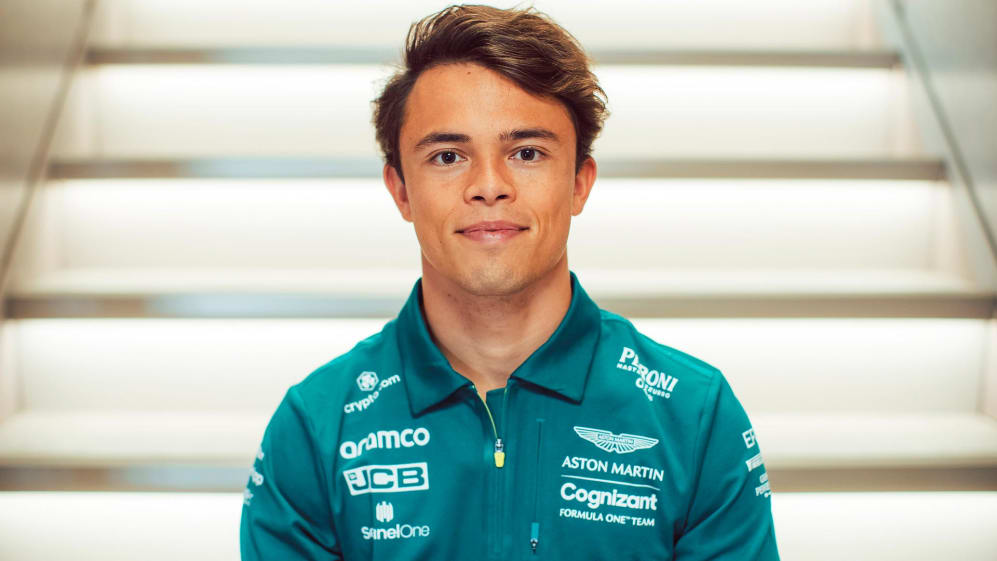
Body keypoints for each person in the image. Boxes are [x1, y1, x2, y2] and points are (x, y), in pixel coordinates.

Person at [240, 4, 780, 560]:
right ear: (401, 190)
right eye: (448, 156)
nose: (489, 185)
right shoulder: (316, 426)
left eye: (526, 153)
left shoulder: (693, 415)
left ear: (579, 182)